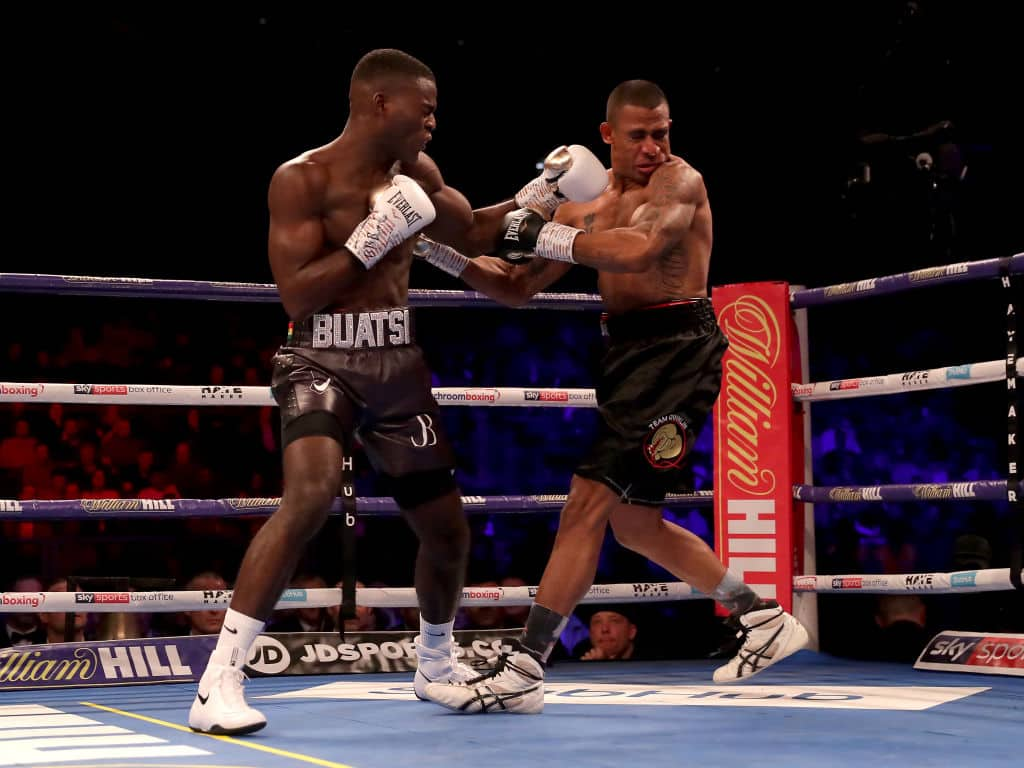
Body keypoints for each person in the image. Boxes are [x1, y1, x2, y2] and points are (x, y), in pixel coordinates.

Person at [188, 48, 607, 735]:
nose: (435, 120)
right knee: (312, 494)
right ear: (380, 103)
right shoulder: (301, 179)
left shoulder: (416, 173)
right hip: (319, 355)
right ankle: (220, 679)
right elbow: (296, 291)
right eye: (427, 105)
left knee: (447, 533)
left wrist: (546, 191)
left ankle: (435, 664)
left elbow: (471, 228)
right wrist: (374, 235)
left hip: (396, 364)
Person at [417, 79, 809, 714]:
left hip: (678, 350)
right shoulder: (582, 204)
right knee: (635, 524)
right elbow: (515, 285)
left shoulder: (680, 183)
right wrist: (431, 249)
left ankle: (526, 666)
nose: (654, 146)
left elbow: (642, 248)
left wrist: (538, 234)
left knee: (587, 504)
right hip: (625, 355)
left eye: (662, 132)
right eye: (639, 135)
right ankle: (761, 619)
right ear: (607, 137)